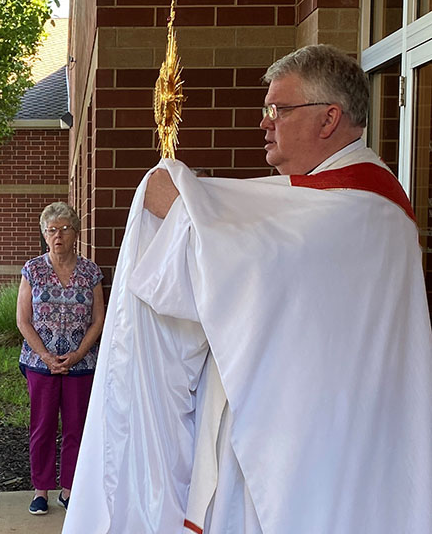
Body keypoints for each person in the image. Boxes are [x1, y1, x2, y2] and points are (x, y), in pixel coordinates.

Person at [63, 45, 432, 534]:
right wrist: (188, 213)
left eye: (278, 109)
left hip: (310, 450)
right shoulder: (329, 202)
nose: (265, 121)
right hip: (304, 433)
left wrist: (179, 213)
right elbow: (260, 258)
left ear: (329, 119)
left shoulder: (362, 208)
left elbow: (244, 272)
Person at [17, 201, 104, 516]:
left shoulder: (91, 272)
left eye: (65, 229)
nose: (59, 236)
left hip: (80, 365)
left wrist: (78, 353)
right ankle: (40, 490)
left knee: (76, 428)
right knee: (41, 427)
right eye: (52, 230)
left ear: (76, 233)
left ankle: (69, 489)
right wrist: (46, 356)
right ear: (44, 233)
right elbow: (23, 320)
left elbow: (98, 319)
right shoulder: (33, 270)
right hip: (41, 364)